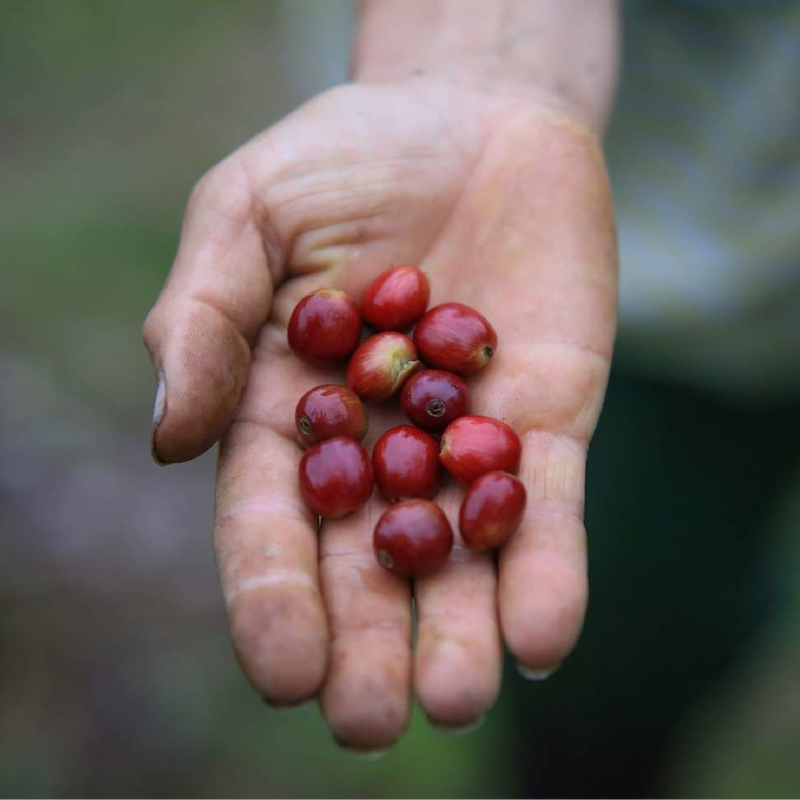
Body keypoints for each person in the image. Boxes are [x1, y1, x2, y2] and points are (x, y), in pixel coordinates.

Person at [143, 1, 800, 797]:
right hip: (535, 222)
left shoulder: (423, 397)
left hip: (765, 273)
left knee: (669, 605)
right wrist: (472, 55)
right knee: (616, 634)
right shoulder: (419, 384)